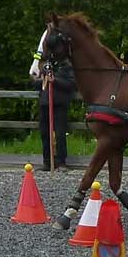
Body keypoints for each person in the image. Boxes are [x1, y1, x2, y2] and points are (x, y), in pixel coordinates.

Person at [30, 30, 76, 171]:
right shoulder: (46, 65)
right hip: (45, 102)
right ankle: (47, 161)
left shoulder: (66, 65)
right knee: (45, 133)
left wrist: (55, 81)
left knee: (60, 133)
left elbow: (71, 84)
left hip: (59, 103)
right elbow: (36, 84)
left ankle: (61, 161)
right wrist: (43, 79)